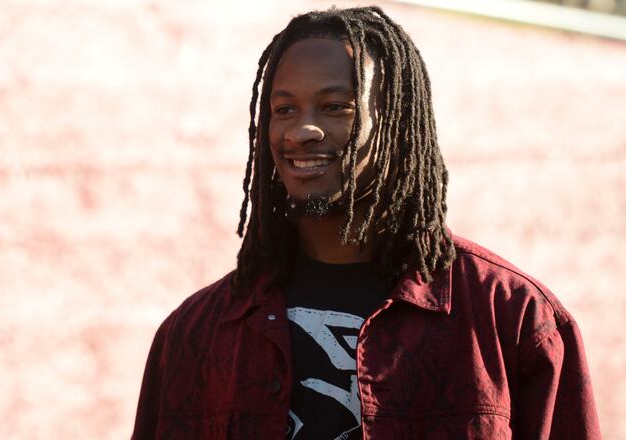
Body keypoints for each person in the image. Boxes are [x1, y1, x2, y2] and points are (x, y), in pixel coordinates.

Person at [132, 6, 600, 439]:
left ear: (397, 123)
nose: (301, 130)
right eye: (284, 109)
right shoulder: (193, 336)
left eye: (337, 106)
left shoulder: (511, 318)